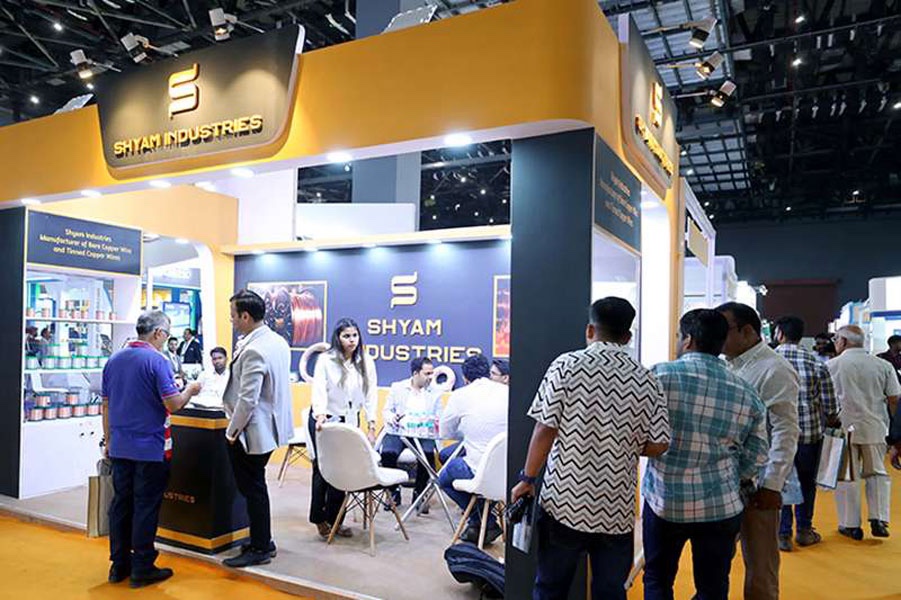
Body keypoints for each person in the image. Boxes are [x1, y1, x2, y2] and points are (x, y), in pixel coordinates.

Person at [511, 297, 670, 600]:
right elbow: (659, 444)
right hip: (616, 506)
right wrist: (620, 443)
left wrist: (527, 478)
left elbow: (545, 428)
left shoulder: (567, 365)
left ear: (589, 330)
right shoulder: (647, 379)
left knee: (550, 588)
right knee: (610, 592)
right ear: (628, 337)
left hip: (564, 500)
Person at [643, 309, 768, 600]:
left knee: (657, 579)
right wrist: (734, 476)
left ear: (687, 340)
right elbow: (757, 453)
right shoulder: (746, 391)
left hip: (665, 501)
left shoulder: (658, 376)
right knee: (713, 586)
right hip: (721, 504)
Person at [101, 311, 202, 588]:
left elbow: (106, 405)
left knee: (121, 504)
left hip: (120, 446)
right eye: (166, 334)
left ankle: (118, 564)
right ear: (158, 333)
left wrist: (108, 440)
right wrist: (191, 390)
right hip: (151, 447)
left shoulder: (114, 359)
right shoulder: (157, 361)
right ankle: (143, 565)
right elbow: (173, 404)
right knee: (145, 506)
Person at [717, 302, 800, 600]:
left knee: (760, 565)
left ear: (748, 331)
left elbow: (785, 430)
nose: (716, 336)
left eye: (723, 330)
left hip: (758, 484)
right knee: (716, 562)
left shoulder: (774, 368)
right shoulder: (727, 364)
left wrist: (772, 484)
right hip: (725, 481)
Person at [221, 290, 294, 568]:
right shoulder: (277, 341)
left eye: (233, 316)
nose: (231, 320)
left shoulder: (254, 349)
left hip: (252, 432)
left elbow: (247, 399)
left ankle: (260, 547)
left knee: (252, 489)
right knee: (256, 486)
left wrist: (231, 432)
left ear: (245, 316)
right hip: (271, 428)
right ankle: (262, 540)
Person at [827, 325, 901, 540]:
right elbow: (894, 398)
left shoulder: (832, 366)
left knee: (847, 476)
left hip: (843, 427)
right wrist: (895, 431)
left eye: (836, 339)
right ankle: (879, 519)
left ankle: (850, 524)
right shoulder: (882, 365)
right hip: (875, 426)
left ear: (843, 341)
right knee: (877, 472)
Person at [773, 316, 840, 551]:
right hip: (809, 435)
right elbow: (830, 406)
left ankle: (782, 533)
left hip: (776, 435)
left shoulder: (768, 361)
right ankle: (804, 530)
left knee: (778, 480)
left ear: (780, 334)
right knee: (806, 483)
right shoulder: (816, 363)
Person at [309, 318, 379, 539]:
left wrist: (371, 423)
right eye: (346, 336)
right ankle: (318, 518)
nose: (351, 340)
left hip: (349, 420)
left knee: (343, 470)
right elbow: (319, 389)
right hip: (325, 419)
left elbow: (370, 393)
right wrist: (320, 414)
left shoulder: (365, 361)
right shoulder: (326, 360)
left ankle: (335, 519)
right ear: (337, 338)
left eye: (354, 335)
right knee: (323, 470)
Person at [439, 353, 509, 545]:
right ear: (487, 372)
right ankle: (482, 523)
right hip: (508, 472)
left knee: (444, 477)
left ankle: (484, 522)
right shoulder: (508, 392)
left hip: (479, 472)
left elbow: (445, 432)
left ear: (465, 378)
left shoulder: (460, 396)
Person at [380, 357, 442, 511]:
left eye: (432, 373)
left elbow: (439, 416)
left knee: (427, 455)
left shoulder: (435, 393)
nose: (430, 377)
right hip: (399, 431)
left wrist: (430, 421)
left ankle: (419, 494)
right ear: (415, 373)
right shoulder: (397, 388)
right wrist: (392, 418)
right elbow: (386, 411)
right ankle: (393, 492)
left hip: (423, 433)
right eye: (427, 374)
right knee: (388, 453)